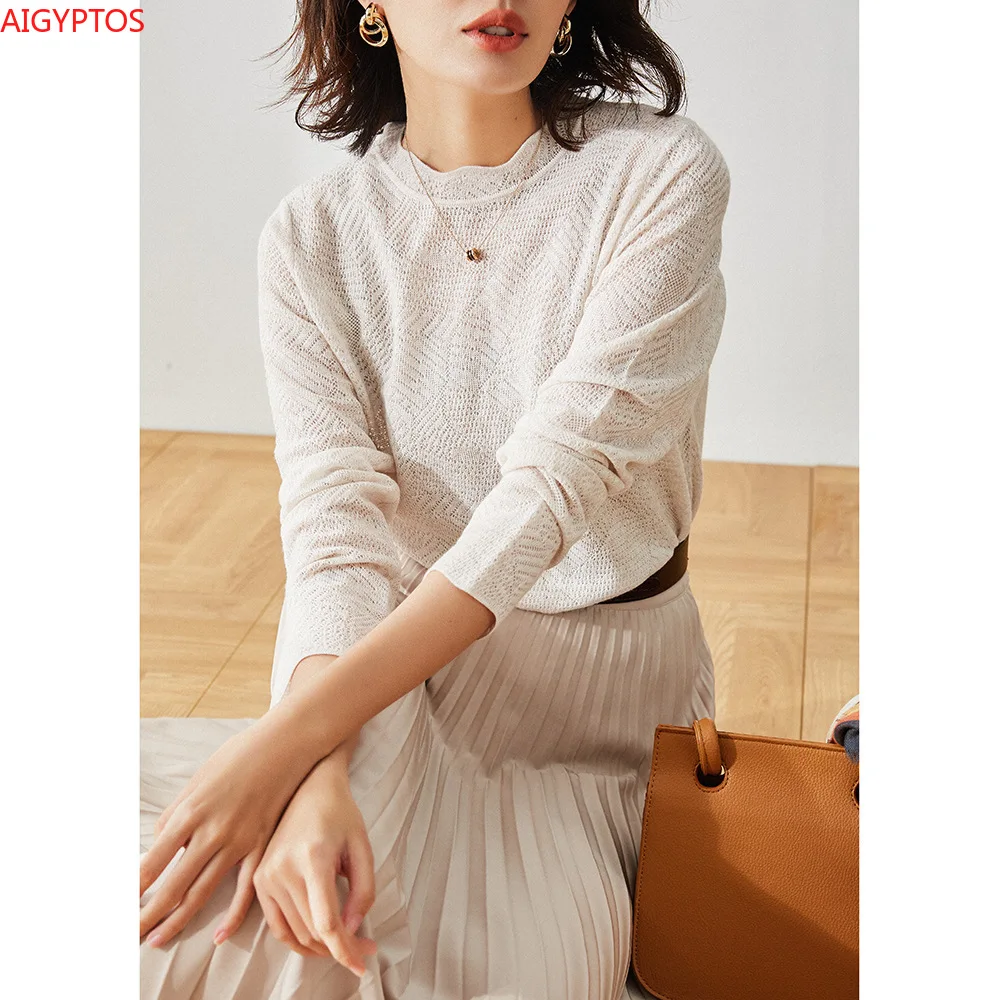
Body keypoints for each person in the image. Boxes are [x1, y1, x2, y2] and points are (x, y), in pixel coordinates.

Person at [139, 1, 731, 997]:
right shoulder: (314, 238)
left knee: (503, 974)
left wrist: (286, 741)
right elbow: (336, 536)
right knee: (225, 930)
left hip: (602, 719)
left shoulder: (659, 173)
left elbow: (551, 491)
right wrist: (313, 768)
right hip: (396, 677)